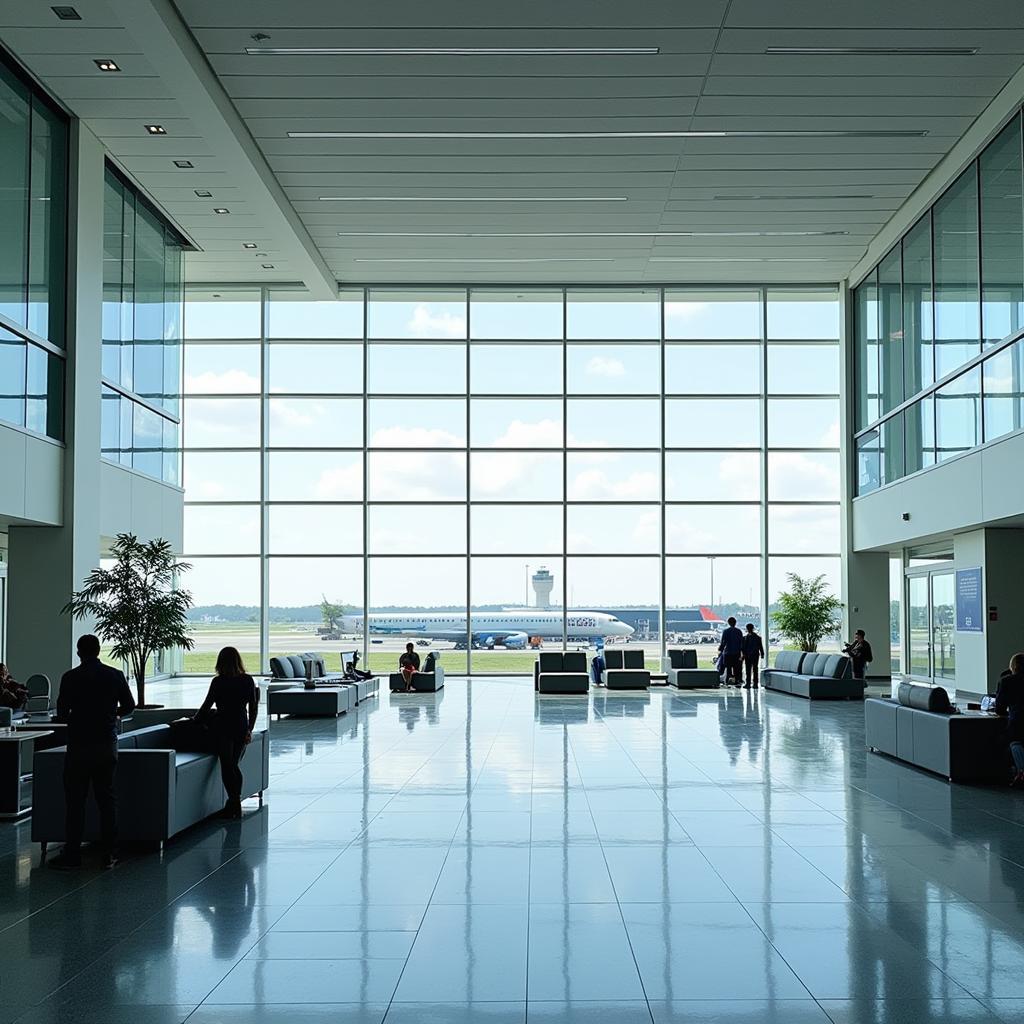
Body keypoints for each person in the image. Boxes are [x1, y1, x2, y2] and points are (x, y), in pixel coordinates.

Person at [48, 635, 136, 870]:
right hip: (106, 743)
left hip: (79, 745)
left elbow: (62, 711)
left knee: (75, 801)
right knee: (106, 799)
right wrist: (111, 714)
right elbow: (129, 706)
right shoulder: (114, 675)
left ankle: (73, 853)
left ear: (79, 652)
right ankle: (109, 853)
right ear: (98, 651)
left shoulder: (70, 677)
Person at [197, 646, 259, 819]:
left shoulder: (218, 682)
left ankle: (234, 802)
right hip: (240, 725)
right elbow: (253, 708)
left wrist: (194, 721)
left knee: (227, 765)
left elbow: (207, 705)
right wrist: (249, 729)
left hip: (222, 726)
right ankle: (234, 802)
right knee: (233, 764)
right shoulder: (247, 680)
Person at [995, 653, 1024, 786]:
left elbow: (999, 709)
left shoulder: (1006, 681)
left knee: (1013, 740)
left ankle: (1021, 771)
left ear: (1013, 666)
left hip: (1018, 721)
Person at [718, 617, 744, 686]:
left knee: (728, 668)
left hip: (728, 653)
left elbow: (723, 642)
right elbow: (741, 643)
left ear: (728, 623)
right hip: (736, 653)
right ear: (735, 623)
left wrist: (720, 650)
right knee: (736, 668)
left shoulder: (726, 631)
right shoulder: (739, 631)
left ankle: (727, 681)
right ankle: (736, 681)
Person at [740, 623, 765, 689]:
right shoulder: (757, 638)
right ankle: (755, 684)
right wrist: (762, 654)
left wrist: (743, 655)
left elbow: (742, 648)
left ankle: (748, 683)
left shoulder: (745, 638)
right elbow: (760, 647)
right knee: (754, 669)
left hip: (749, 655)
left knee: (749, 670)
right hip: (754, 655)